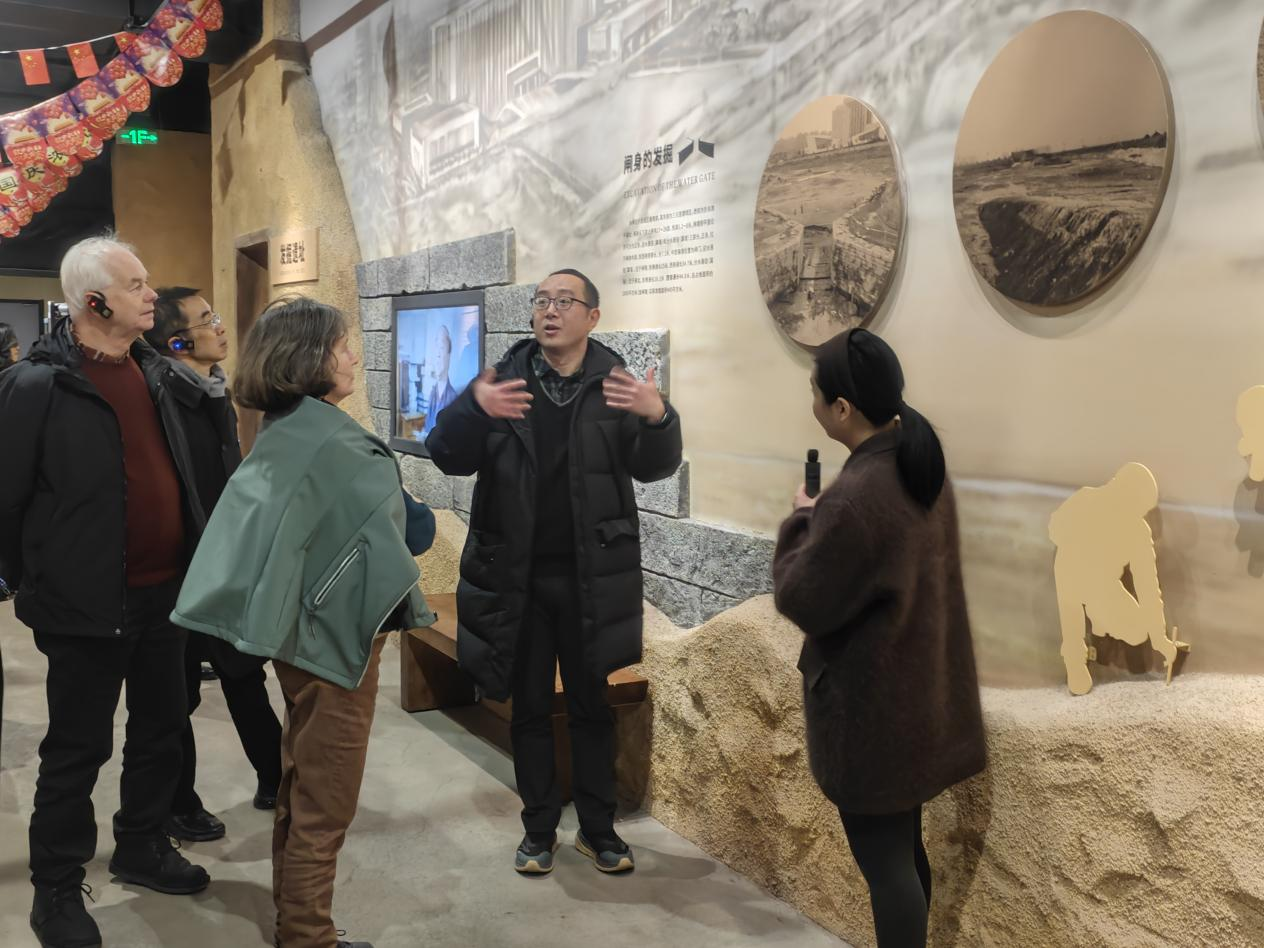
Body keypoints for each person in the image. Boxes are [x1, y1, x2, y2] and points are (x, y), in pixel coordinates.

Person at [172, 296, 437, 948]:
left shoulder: (284, 428)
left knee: (301, 783)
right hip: (337, 644)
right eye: (342, 345)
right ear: (310, 358)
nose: (353, 357)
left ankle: (297, 924)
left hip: (299, 636)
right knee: (327, 800)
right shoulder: (336, 445)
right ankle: (308, 938)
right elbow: (415, 532)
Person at [426, 268, 682, 875]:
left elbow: (654, 469)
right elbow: (445, 454)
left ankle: (599, 830)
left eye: (565, 301)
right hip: (517, 577)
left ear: (592, 317)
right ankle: (538, 829)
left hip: (593, 579)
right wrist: (472, 408)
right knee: (531, 706)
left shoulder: (616, 386)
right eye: (542, 300)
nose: (550, 311)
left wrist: (658, 418)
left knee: (592, 704)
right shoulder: (502, 382)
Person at [0, 235, 210, 948]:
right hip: (85, 606)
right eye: (136, 284)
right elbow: (6, 500)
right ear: (94, 301)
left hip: (165, 595)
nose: (152, 295)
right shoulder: (37, 386)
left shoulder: (155, 373)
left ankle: (142, 844)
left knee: (162, 730)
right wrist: (36, 581)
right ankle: (56, 888)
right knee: (77, 750)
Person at [772, 328, 987, 948]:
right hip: (918, 702)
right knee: (904, 855)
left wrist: (803, 518)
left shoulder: (857, 496)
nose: (812, 402)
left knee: (888, 869)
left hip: (873, 715)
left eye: (816, 393)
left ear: (841, 408)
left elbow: (802, 598)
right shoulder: (919, 466)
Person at [143, 286, 284, 842]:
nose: (221, 326)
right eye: (207, 320)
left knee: (244, 675)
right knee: (177, 696)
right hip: (179, 572)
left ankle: (276, 779)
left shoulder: (212, 392)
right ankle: (179, 804)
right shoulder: (162, 397)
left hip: (221, 560)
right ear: (178, 342)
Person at [420, 324, 458, 436]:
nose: (437, 354)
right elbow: (428, 427)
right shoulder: (433, 393)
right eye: (436, 347)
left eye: (441, 347)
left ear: (449, 356)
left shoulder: (453, 399)